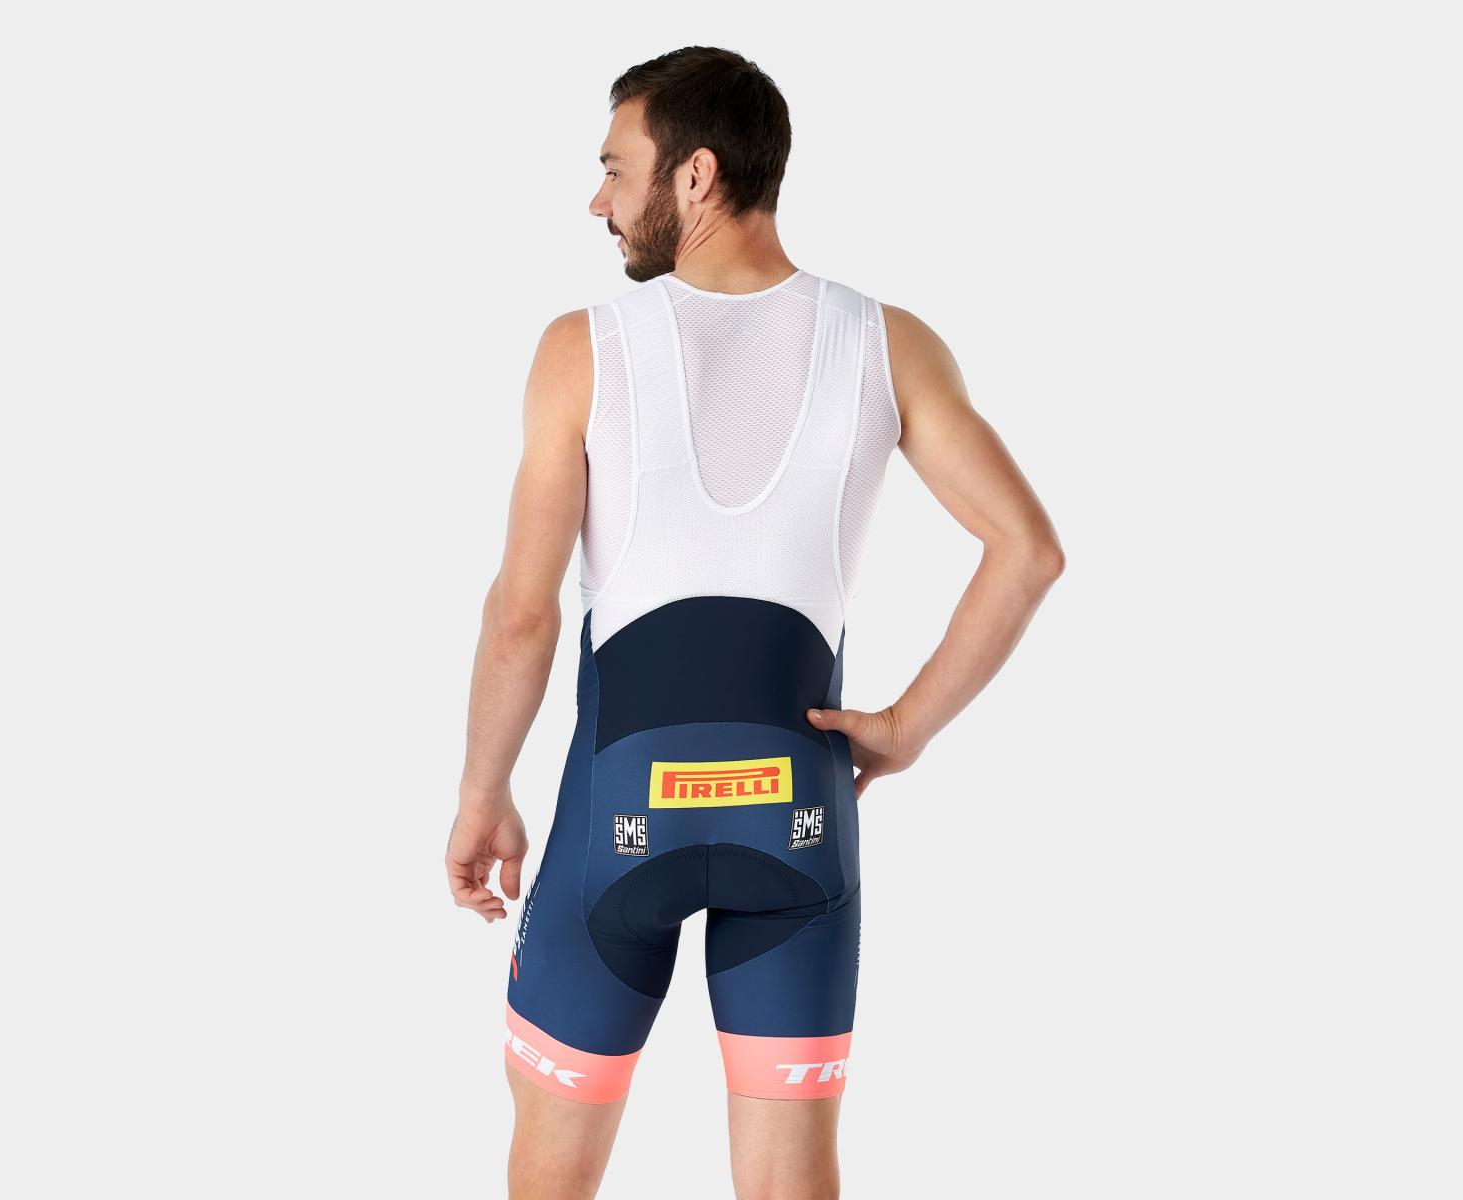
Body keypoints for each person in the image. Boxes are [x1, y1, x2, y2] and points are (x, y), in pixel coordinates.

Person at [446, 46, 1064, 1200]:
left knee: (549, 1177)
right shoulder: (887, 343)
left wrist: (483, 794)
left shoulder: (582, 348)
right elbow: (1027, 551)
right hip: (798, 812)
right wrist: (904, 729)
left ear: (694, 175)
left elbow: (522, 617)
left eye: (615, 168)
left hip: (616, 815)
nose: (598, 202)